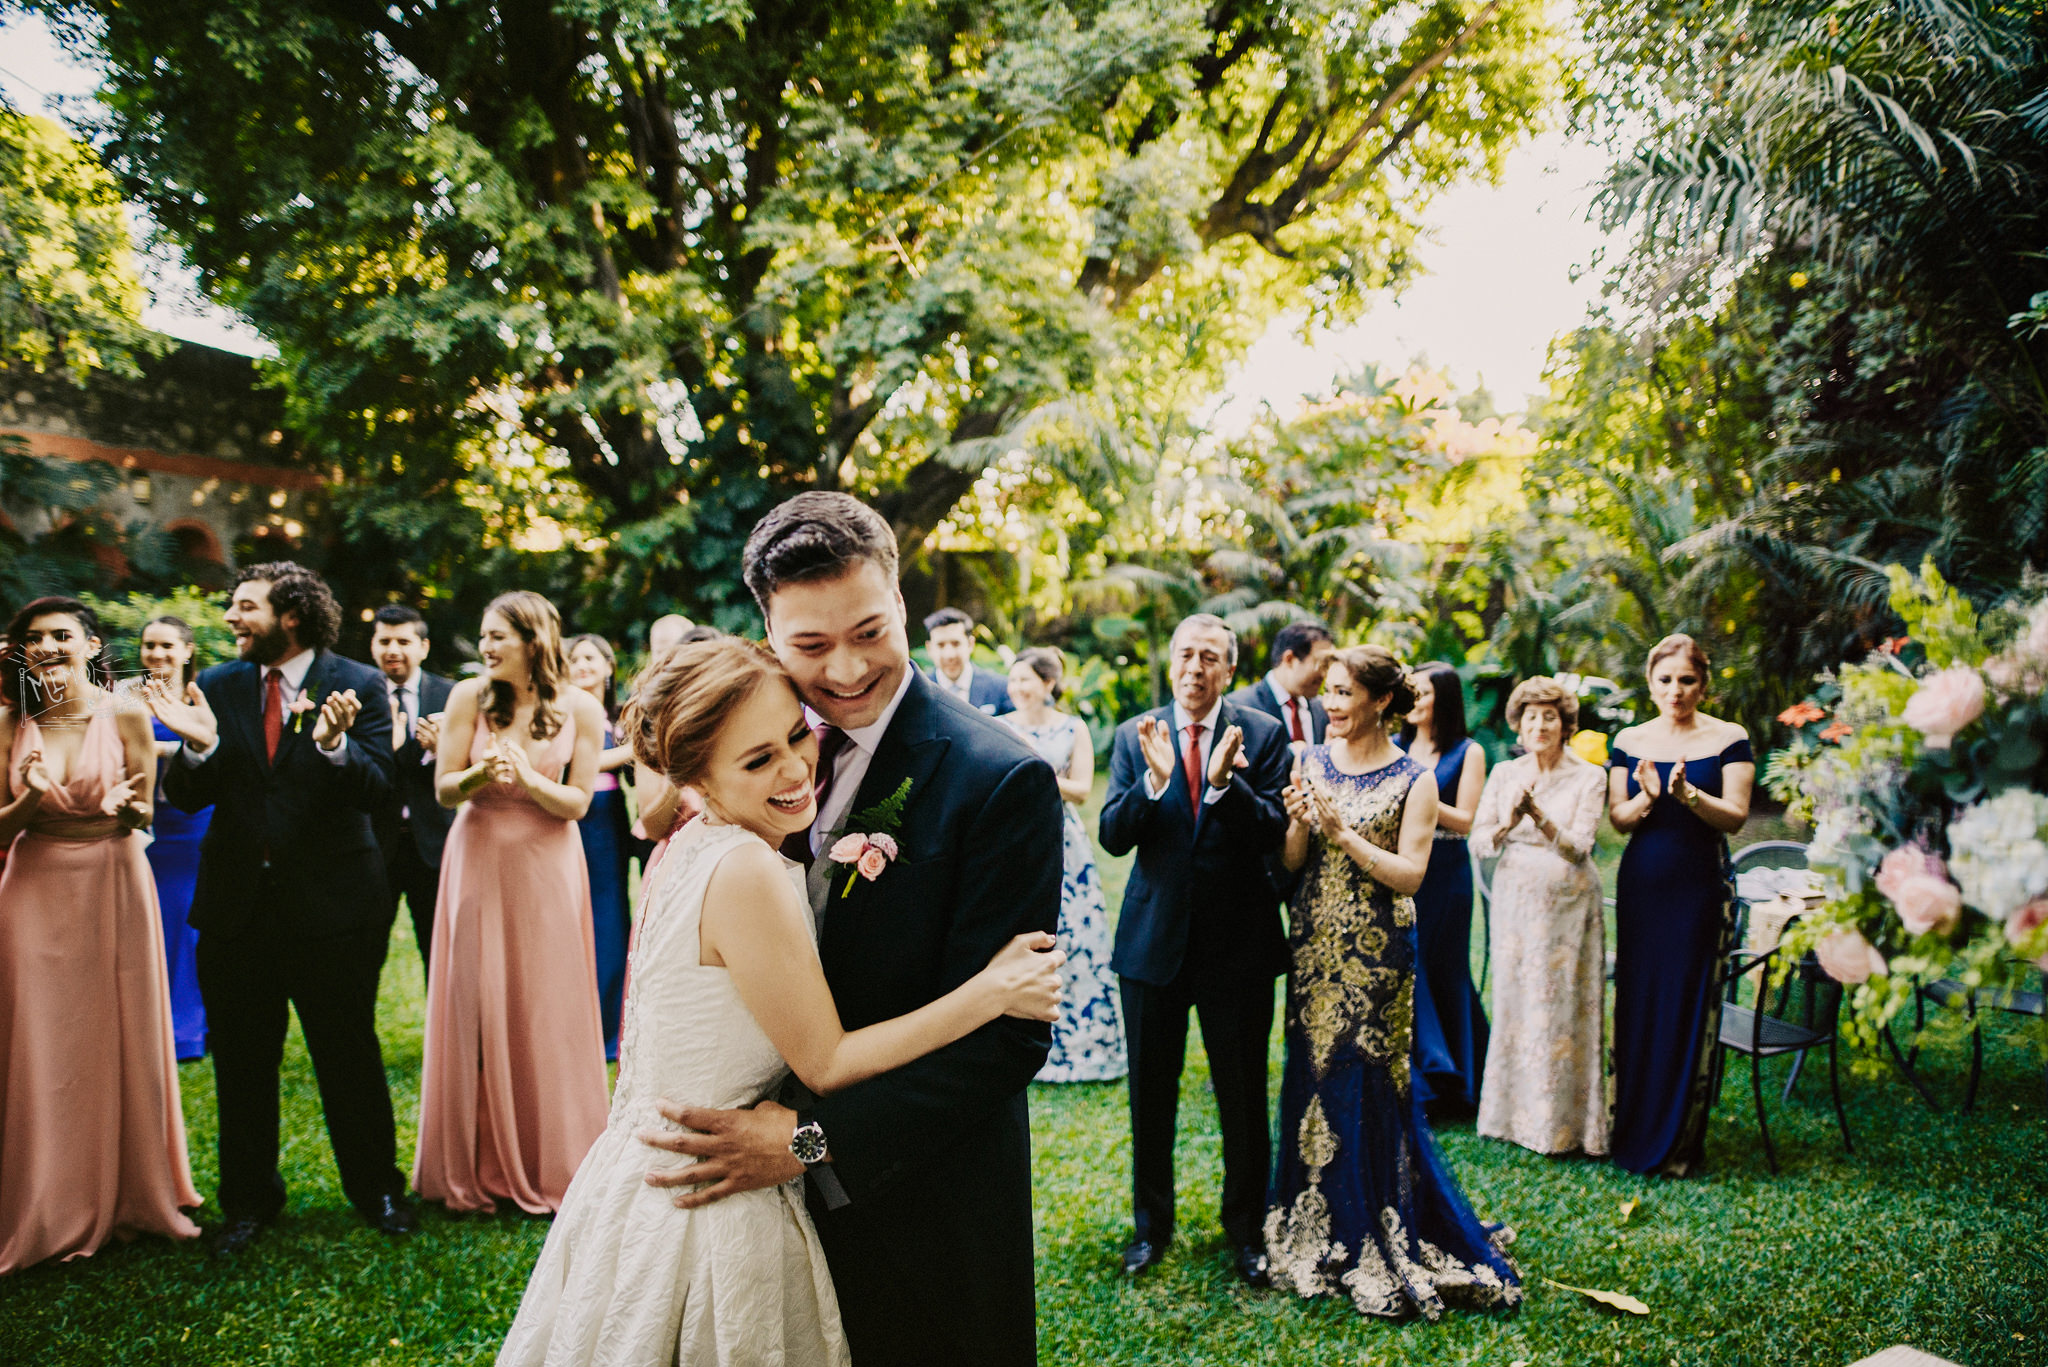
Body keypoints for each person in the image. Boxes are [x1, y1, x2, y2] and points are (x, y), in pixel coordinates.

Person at [496, 637, 1065, 1367]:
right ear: (696, 777)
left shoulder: (692, 847)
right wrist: (988, 991)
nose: (797, 768)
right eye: (758, 760)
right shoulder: (747, 870)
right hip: (714, 1204)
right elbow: (826, 1060)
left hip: (642, 1178)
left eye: (797, 734)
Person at [634, 493, 1063, 1367]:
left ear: (901, 602)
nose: (848, 668)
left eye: (869, 630)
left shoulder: (1000, 779)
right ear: (767, 632)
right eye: (811, 645)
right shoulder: (744, 754)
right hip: (748, 1212)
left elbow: (1005, 1042)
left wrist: (805, 1142)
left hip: (924, 1202)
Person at [149, 562, 412, 1254]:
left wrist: (332, 746)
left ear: (290, 614)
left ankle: (377, 1188)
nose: (231, 618)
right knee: (241, 1061)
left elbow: (381, 789)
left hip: (333, 906)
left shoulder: (357, 682)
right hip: (237, 908)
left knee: (348, 1053)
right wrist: (199, 747)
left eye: (244, 606)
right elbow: (185, 796)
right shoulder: (215, 685)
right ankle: (248, 1201)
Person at [1265, 645, 1521, 1320]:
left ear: (1381, 701)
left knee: (1372, 1079)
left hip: (1379, 954)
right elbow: (1294, 862)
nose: (1331, 703)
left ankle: (1375, 1227)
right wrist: (1299, 823)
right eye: (1328, 691)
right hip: (1314, 942)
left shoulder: (1416, 778)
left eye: (1345, 692)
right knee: (1314, 1072)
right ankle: (1310, 1223)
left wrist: (1344, 832)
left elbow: (1411, 875)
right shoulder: (1308, 758)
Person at [0, 598, 201, 1274]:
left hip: (116, 879)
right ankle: (42, 1196)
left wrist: (129, 807)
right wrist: (29, 796)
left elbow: (145, 804)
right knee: (39, 1036)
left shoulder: (122, 712)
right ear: (23, 650)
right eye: (36, 638)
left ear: (90, 644)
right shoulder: (12, 720)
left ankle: (131, 1188)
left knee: (114, 1032)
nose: (49, 645)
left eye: (62, 634)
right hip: (34, 885)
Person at [1098, 613, 1290, 1286]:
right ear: (1170, 661)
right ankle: (1151, 1229)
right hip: (1152, 948)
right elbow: (1113, 835)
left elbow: (1273, 829)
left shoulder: (1262, 734)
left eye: (1210, 656)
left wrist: (1220, 785)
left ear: (1229, 670)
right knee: (1150, 1096)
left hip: (1238, 948)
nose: (1195, 666)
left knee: (1242, 1096)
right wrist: (1153, 786)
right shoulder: (1135, 735)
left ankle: (1246, 1231)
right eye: (1185, 653)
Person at [413, 592, 610, 1214]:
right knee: (476, 997)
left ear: (534, 639)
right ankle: (472, 1164)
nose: (487, 647)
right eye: (484, 635)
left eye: (499, 636)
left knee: (545, 1004)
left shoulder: (579, 705)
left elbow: (578, 802)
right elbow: (445, 788)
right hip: (478, 856)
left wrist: (526, 778)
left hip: (548, 863)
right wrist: (480, 777)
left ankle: (552, 1157)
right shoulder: (468, 697)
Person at [1607, 634, 1753, 1176]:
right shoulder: (1630, 739)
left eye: (1687, 680)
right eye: (1665, 680)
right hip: (1644, 885)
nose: (1676, 691)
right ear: (1650, 684)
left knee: (1689, 999)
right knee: (1640, 998)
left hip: (1698, 885)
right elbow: (1618, 821)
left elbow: (1736, 816)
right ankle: (1634, 1124)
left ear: (1703, 684)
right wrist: (1649, 796)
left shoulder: (1728, 738)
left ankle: (1680, 1140)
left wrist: (1691, 796)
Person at [1469, 676, 1609, 1157]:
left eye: (1550, 715)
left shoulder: (1590, 776)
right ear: (1519, 724)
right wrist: (1508, 822)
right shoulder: (1504, 773)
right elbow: (1479, 841)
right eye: (1531, 716)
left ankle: (1566, 1127)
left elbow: (1579, 848)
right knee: (1516, 1002)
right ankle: (1510, 1118)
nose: (1540, 724)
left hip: (1569, 907)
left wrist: (1539, 815)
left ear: (1566, 723)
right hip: (1515, 905)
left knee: (1562, 1007)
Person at [1003, 647, 1126, 1083]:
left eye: (1026, 680)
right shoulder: (998, 727)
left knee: (1074, 936)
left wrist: (1037, 775)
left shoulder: (1073, 728)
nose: (1017, 688)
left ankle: (1087, 1047)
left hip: (1063, 841)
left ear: (1048, 685)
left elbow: (1080, 788)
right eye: (1013, 680)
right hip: (1014, 841)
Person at [1399, 662, 1490, 1113]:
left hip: (1447, 868)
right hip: (1403, 869)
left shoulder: (1467, 751)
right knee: (1409, 966)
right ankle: (1422, 1078)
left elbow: (1466, 819)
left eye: (1423, 693)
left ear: (1444, 699)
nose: (1413, 700)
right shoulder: (1394, 745)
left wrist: (1417, 796)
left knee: (1446, 968)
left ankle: (1460, 1079)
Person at [368, 605, 454, 976]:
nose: (393, 649)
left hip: (434, 842)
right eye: (384, 640)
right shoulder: (359, 692)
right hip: (374, 842)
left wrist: (439, 751)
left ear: (423, 646)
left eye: (403, 641)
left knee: (440, 955)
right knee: (364, 952)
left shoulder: (451, 695)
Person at [139, 614, 210, 1060]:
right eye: (149, 646)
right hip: (146, 829)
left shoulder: (201, 700)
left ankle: (190, 1026)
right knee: (151, 926)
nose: (157, 654)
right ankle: (148, 1020)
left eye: (167, 645)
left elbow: (213, 748)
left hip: (194, 827)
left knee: (187, 928)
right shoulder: (125, 700)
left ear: (187, 651)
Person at [565, 632, 635, 1060]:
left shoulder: (622, 716)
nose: (582, 665)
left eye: (591, 657)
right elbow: (577, 764)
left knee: (611, 921)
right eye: (574, 659)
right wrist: (630, 750)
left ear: (609, 667)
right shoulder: (560, 714)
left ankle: (610, 1031)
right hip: (571, 819)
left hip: (609, 820)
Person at [1225, 619, 1333, 746]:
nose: (1325, 674)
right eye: (1320, 664)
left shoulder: (1323, 709)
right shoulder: (1239, 707)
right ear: (1289, 659)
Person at [921, 606, 1014, 715]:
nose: (949, 655)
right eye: (941, 645)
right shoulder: (919, 690)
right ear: (929, 648)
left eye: (956, 644)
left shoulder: (1000, 687)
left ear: (970, 644)